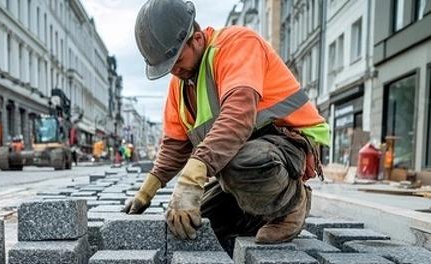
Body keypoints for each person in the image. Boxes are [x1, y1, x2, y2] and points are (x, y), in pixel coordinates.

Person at [123, 0, 330, 244]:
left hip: (287, 142)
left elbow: (238, 116)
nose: (173, 70)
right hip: (240, 156)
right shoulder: (180, 84)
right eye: (166, 67)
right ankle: (260, 211)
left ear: (197, 39)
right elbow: (175, 146)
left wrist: (193, 175)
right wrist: (147, 191)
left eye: (176, 60)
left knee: (239, 164)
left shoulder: (237, 44)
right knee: (195, 223)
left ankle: (292, 204)